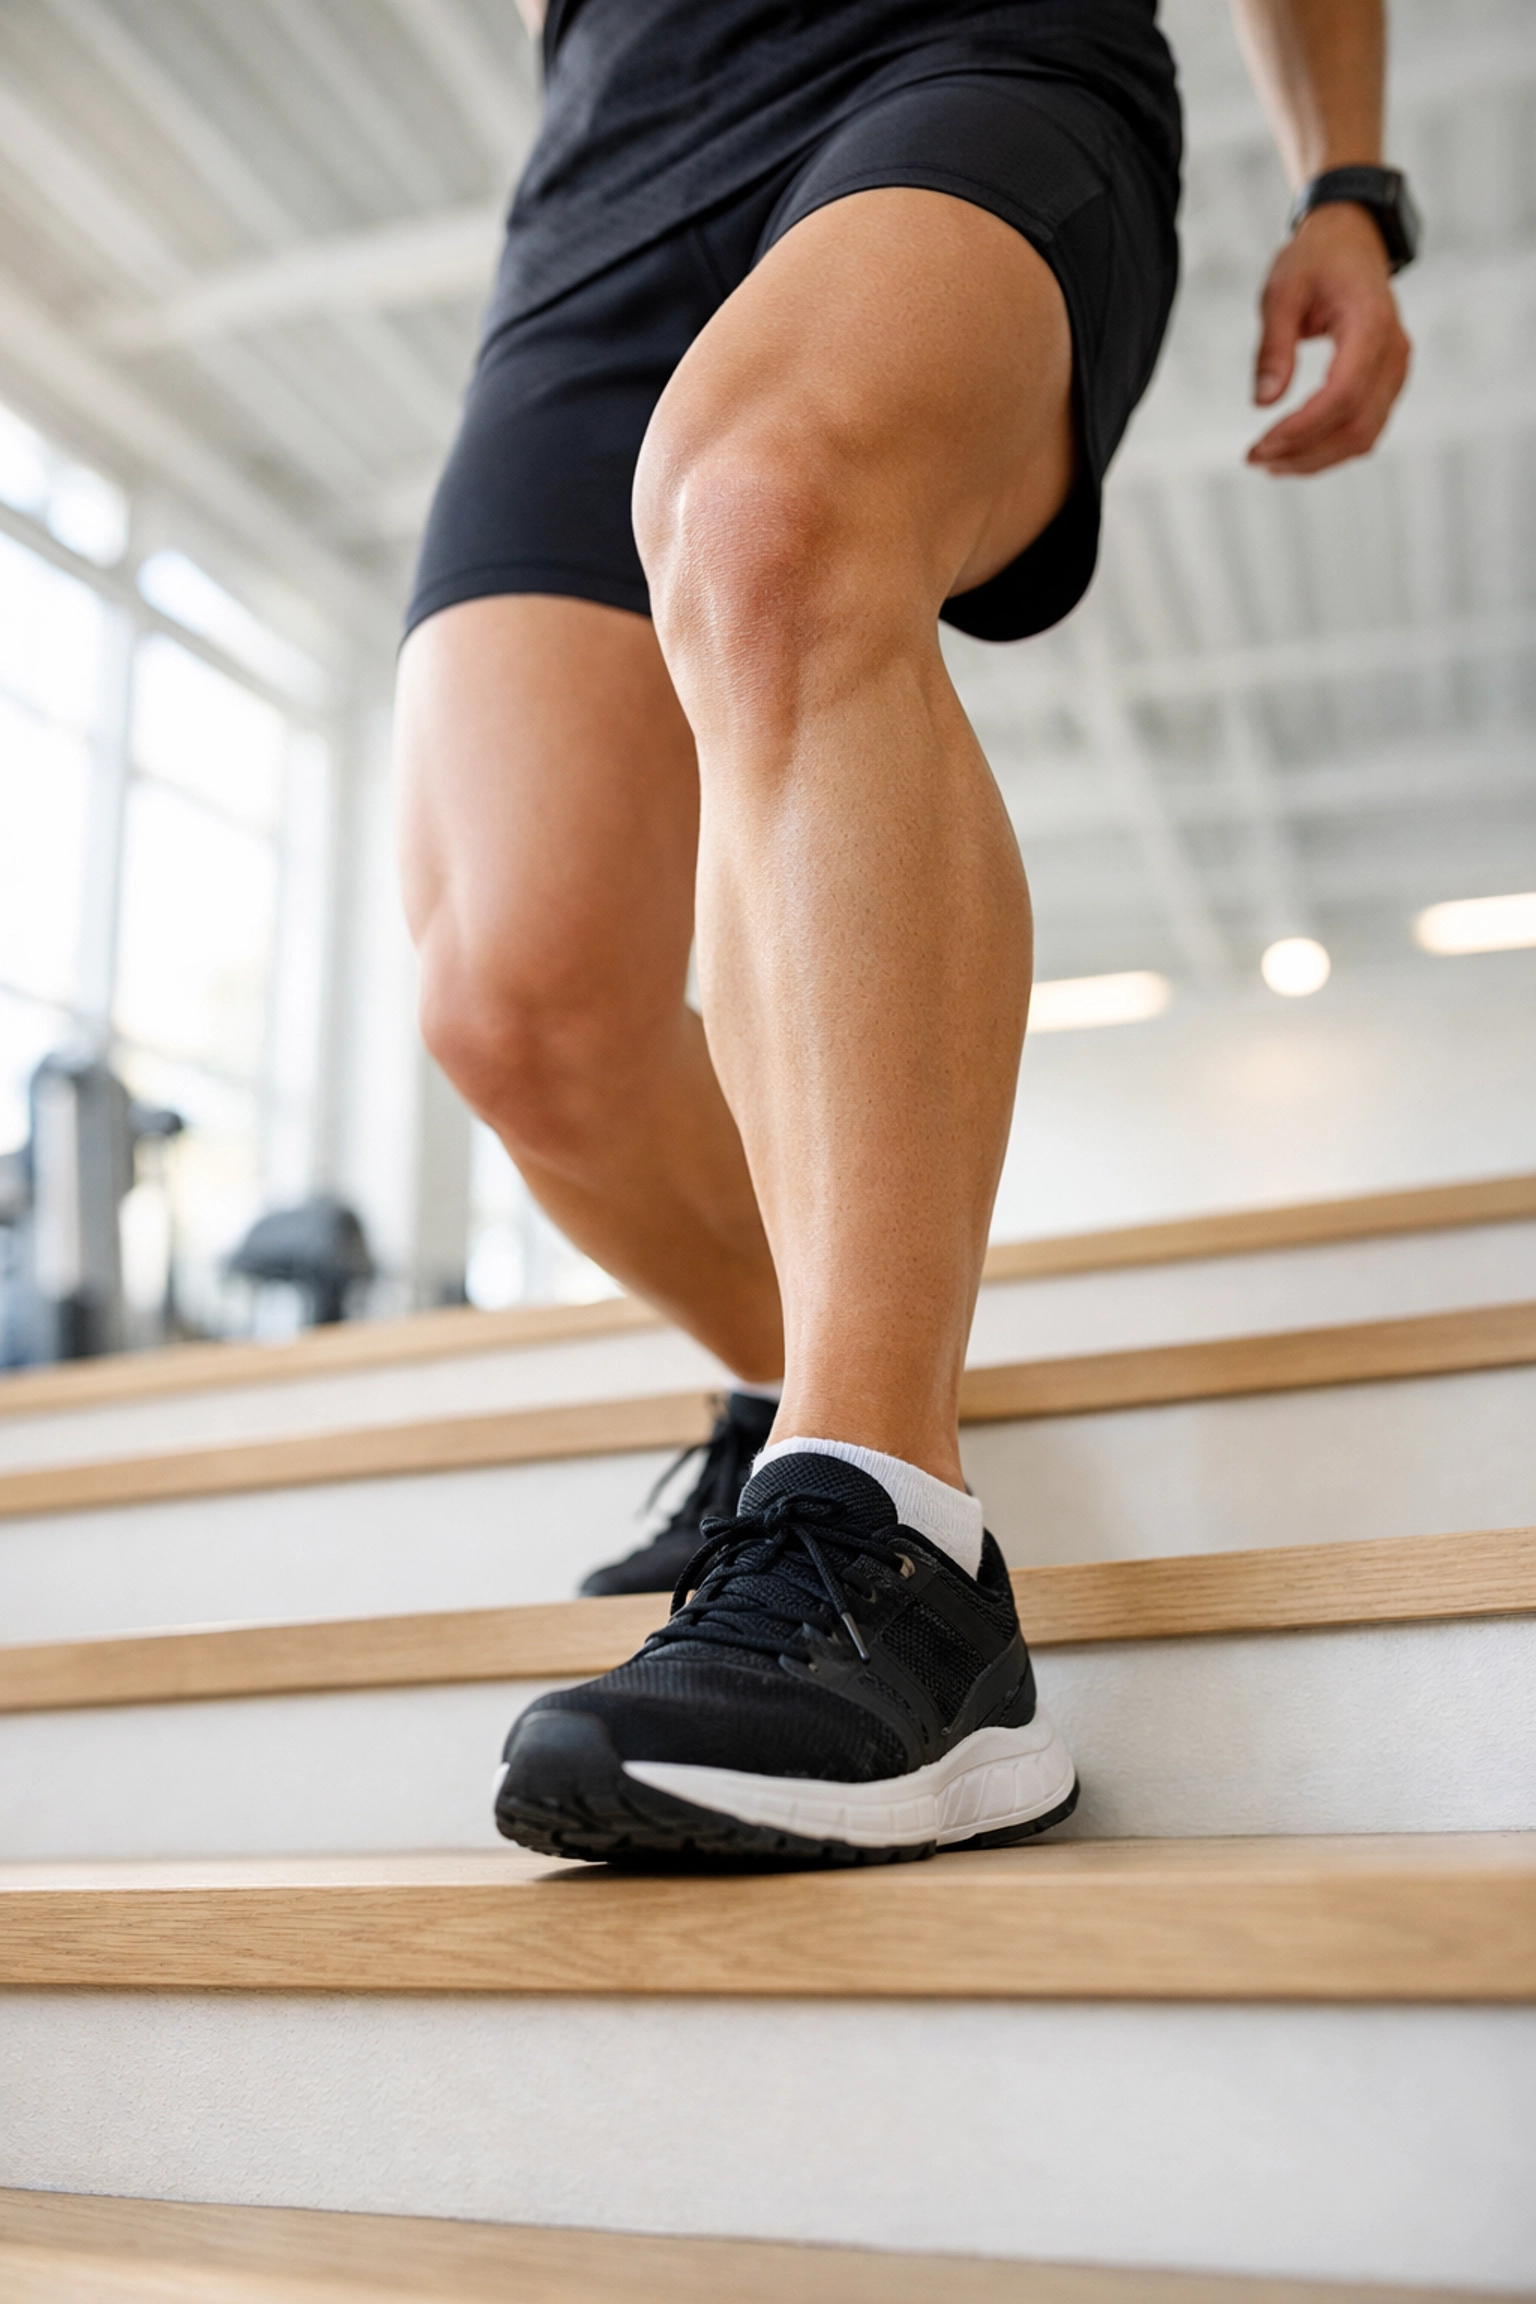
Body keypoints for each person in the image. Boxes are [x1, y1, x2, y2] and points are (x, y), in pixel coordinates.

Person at [396, 0, 1414, 1863]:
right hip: (609, 167)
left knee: (769, 514)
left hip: (968, 50)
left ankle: (892, 1540)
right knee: (515, 998)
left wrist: (1347, 180)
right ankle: (792, 1409)